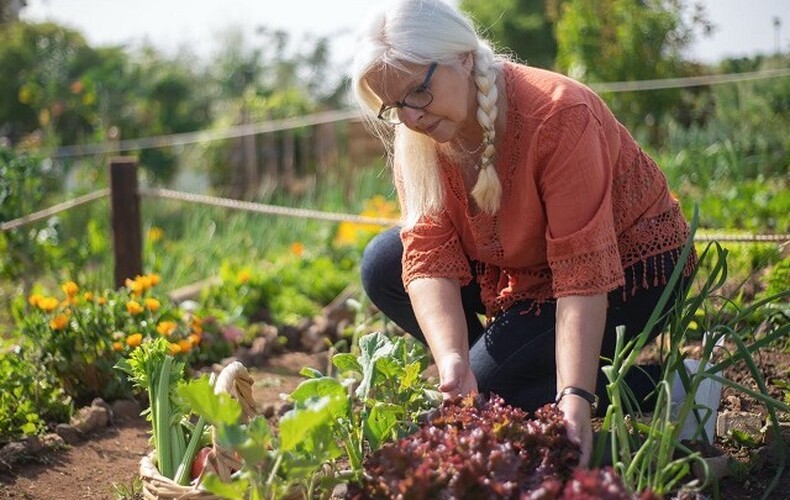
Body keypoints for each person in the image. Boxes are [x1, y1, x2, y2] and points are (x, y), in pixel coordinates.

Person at [352, 0, 696, 466]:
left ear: (463, 58)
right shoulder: (423, 134)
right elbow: (428, 251)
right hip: (525, 265)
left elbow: (582, 272)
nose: (410, 118)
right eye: (394, 106)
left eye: (418, 93)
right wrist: (454, 360)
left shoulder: (558, 114)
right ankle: (502, 373)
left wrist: (574, 397)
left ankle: (677, 385)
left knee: (497, 390)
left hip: (630, 267)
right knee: (382, 264)